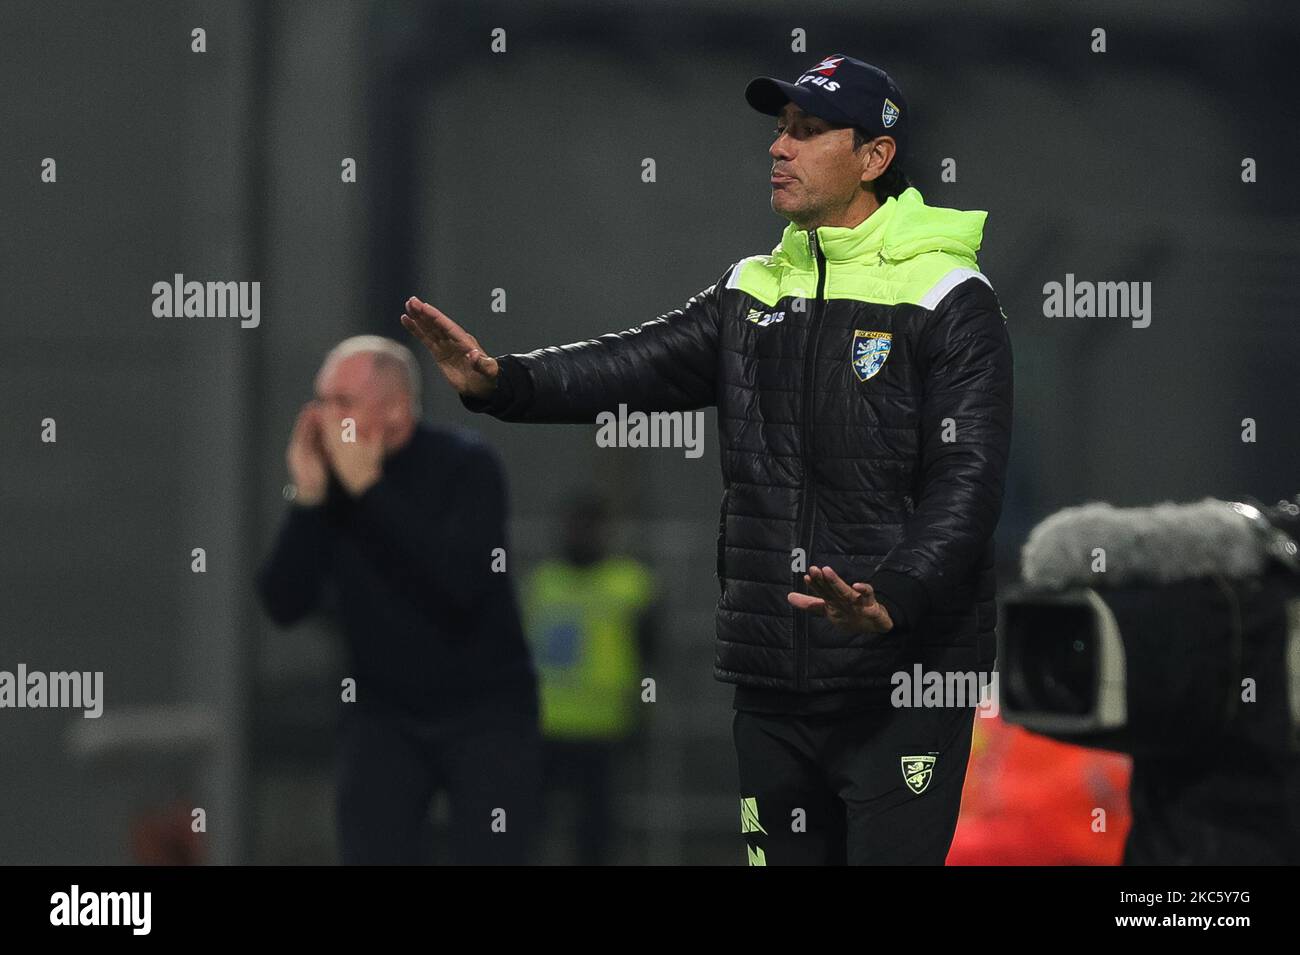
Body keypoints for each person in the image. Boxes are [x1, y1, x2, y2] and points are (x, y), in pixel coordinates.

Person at [401, 53, 1013, 865]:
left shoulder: (948, 297)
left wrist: (892, 597)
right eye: (779, 131)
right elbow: (634, 363)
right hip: (774, 681)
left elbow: (967, 481)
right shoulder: (752, 288)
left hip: (901, 677)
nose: (779, 148)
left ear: (875, 157)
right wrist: (503, 381)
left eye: (807, 131)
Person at [255, 335, 541, 865]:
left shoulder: (466, 468)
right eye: (321, 401)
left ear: (395, 409)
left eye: (342, 402)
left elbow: (458, 585)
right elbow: (282, 602)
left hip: (486, 714)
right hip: (383, 716)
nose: (321, 418)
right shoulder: (333, 490)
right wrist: (309, 499)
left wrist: (370, 491)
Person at [523, 489, 658, 865]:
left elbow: (651, 653)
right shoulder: (543, 580)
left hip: (605, 727)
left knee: (596, 831)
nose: (581, 534)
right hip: (546, 725)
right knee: (531, 823)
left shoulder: (631, 583)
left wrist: (641, 710)